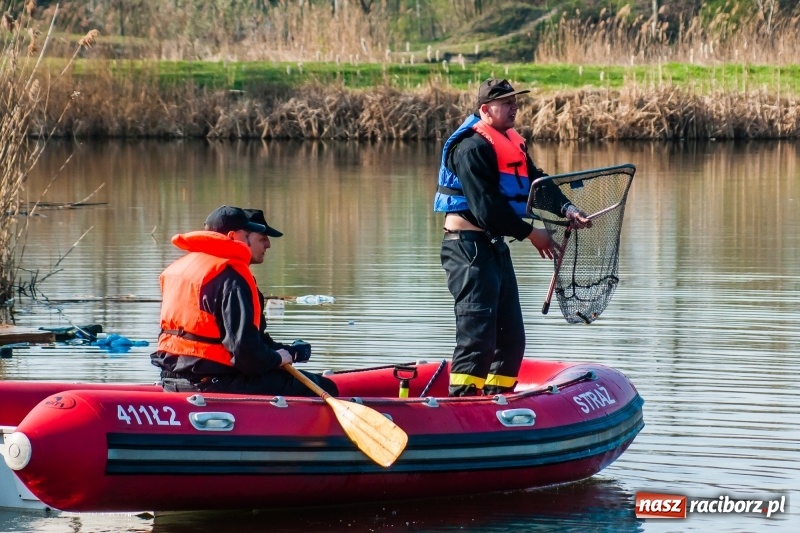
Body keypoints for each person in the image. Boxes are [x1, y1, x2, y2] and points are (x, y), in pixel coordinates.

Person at [433, 78, 591, 397]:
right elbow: (487, 209)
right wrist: (532, 233)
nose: (514, 107)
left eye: (515, 102)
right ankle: (462, 407)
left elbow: (536, 181)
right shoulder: (471, 147)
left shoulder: (510, 142)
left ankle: (493, 403)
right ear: (485, 110)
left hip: (494, 249)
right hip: (467, 251)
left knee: (511, 340)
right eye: (506, 102)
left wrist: (567, 208)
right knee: (478, 338)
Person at [151, 205, 338, 396]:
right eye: (251, 234)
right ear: (234, 236)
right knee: (327, 388)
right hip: (214, 382)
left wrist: (284, 353)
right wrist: (276, 359)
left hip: (172, 377)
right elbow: (246, 356)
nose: (267, 244)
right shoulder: (231, 278)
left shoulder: (179, 268)